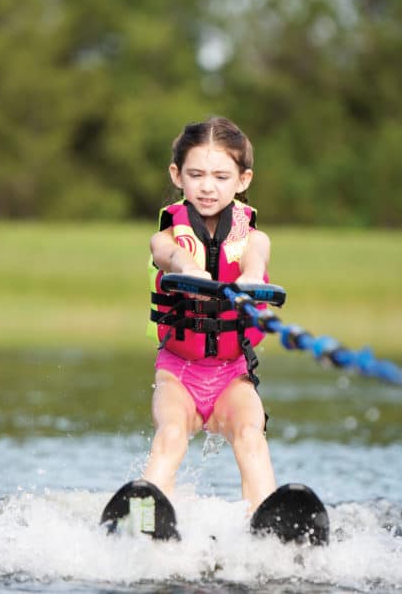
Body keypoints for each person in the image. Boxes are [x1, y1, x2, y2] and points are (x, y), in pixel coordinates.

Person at [142, 117, 276, 512]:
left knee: (251, 433)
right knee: (171, 434)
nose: (206, 185)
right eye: (196, 174)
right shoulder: (166, 237)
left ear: (243, 179)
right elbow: (166, 254)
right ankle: (143, 511)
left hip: (232, 375)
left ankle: (267, 520)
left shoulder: (254, 238)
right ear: (177, 175)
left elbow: (256, 260)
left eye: (220, 176)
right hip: (178, 373)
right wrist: (186, 265)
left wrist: (252, 280)